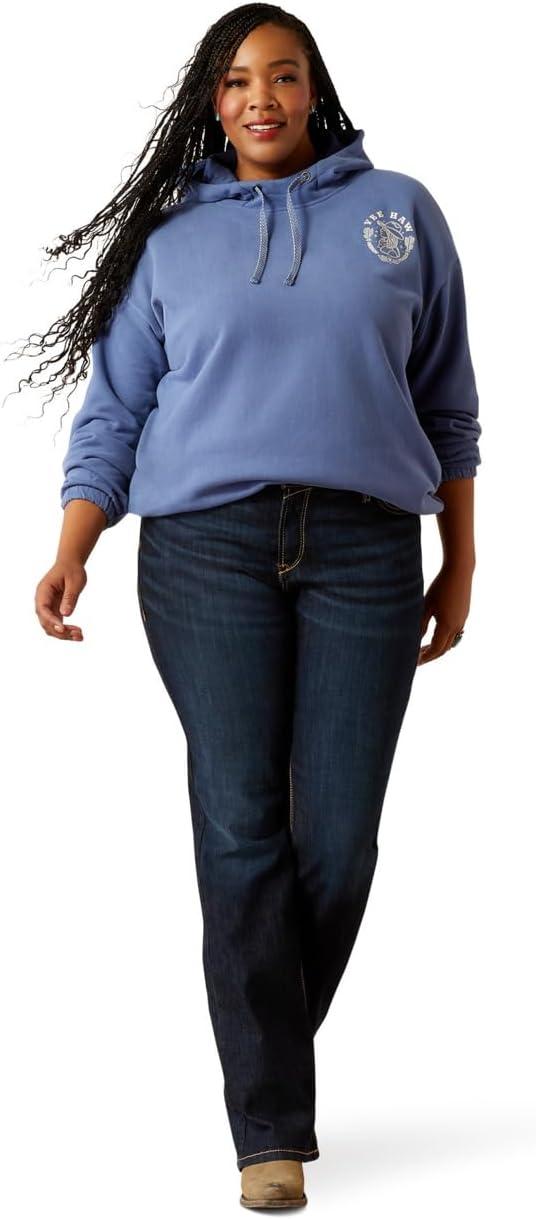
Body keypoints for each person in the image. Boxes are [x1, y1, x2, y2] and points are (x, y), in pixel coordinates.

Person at [30, 4, 481, 1209]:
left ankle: (260, 1052)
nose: (260, 99)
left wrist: (461, 560)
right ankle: (268, 1126)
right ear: (211, 103)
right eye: (235, 82)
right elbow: (115, 410)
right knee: (238, 822)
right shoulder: (172, 241)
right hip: (203, 551)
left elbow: (447, 403)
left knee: (336, 836)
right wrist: (73, 545)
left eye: (282, 76)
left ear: (314, 90)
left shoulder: (399, 214)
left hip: (365, 548)